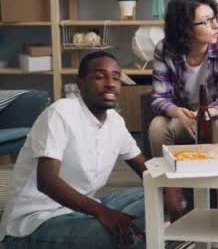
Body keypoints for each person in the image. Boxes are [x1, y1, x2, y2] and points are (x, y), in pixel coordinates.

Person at [0, 51, 147, 249]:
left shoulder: (115, 121)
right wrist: (104, 213)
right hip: (36, 222)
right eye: (99, 76)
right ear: (80, 83)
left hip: (83, 209)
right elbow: (47, 182)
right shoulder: (61, 112)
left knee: (153, 198)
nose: (110, 83)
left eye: (116, 77)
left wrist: (170, 192)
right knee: (111, 235)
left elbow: (145, 170)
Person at [148, 0, 218, 220]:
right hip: (184, 114)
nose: (215, 25)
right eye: (206, 21)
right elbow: (159, 97)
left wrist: (203, 115)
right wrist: (177, 112)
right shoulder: (164, 49)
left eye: (214, 18)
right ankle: (176, 205)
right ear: (185, 29)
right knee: (157, 127)